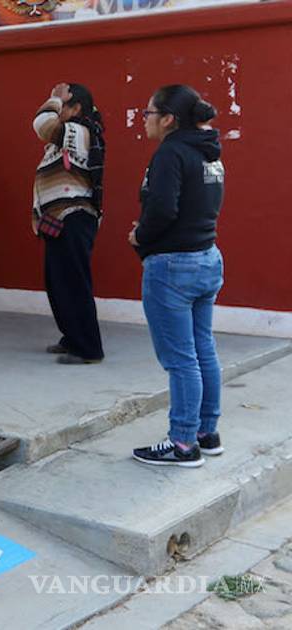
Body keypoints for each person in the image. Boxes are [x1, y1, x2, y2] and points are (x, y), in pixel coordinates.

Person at [130, 86, 225, 469]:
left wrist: (140, 237)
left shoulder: (171, 153)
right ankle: (206, 433)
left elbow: (162, 209)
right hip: (207, 258)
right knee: (203, 350)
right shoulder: (208, 152)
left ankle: (183, 444)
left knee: (182, 360)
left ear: (168, 118)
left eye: (149, 113)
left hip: (173, 267)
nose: (145, 120)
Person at [32, 82, 106, 365]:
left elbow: (42, 125)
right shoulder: (68, 134)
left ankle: (88, 348)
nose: (57, 109)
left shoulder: (78, 130)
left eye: (63, 104)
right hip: (60, 220)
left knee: (73, 284)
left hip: (73, 218)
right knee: (58, 283)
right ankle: (72, 337)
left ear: (76, 108)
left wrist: (53, 98)